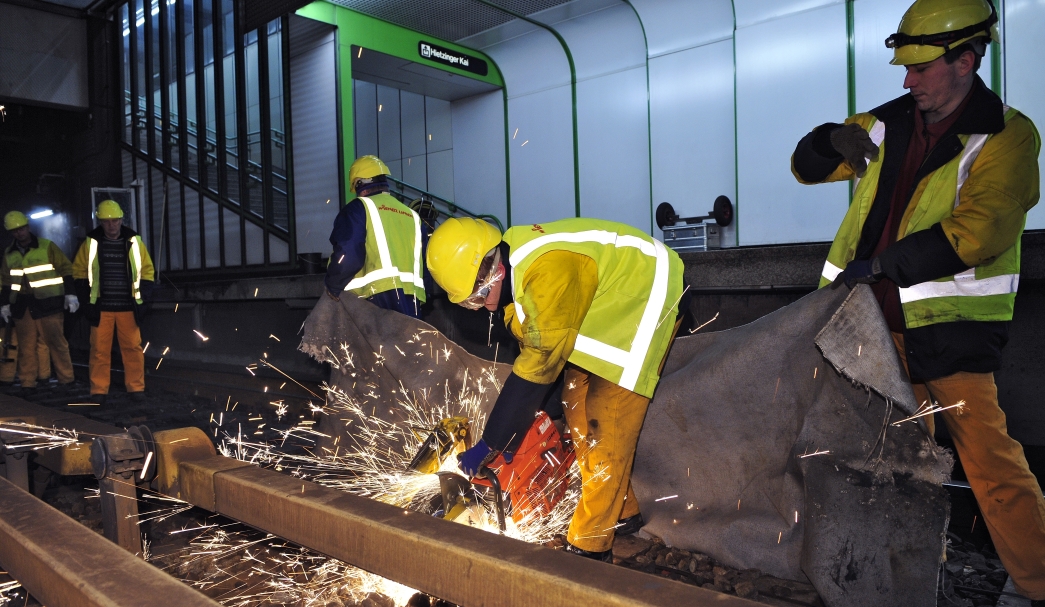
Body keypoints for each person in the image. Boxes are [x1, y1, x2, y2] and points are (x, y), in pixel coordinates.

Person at [791, 0, 1044, 601]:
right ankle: (871, 581)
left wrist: (880, 264)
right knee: (853, 461)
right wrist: (827, 139)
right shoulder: (886, 123)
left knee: (993, 471)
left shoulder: (1008, 136)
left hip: (947, 334)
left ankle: (1040, 582)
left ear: (967, 59)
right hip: (863, 328)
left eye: (921, 68)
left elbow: (979, 230)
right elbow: (806, 168)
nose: (907, 80)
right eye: (904, 67)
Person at [426, 217, 686, 561]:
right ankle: (622, 509)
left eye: (480, 295)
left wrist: (491, 442)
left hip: (649, 293)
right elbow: (535, 350)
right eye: (472, 303)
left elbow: (538, 367)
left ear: (496, 271)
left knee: (606, 421)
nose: (483, 306)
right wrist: (513, 435)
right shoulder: (516, 264)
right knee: (574, 400)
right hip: (609, 304)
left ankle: (589, 548)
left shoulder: (548, 274)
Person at [72, 200, 155, 405]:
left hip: (128, 307)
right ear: (100, 222)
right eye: (107, 221)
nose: (111, 225)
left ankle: (136, 388)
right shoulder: (90, 244)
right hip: (102, 307)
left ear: (121, 220)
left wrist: (143, 300)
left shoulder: (135, 242)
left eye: (115, 221)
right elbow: (79, 273)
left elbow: (147, 271)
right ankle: (99, 390)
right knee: (99, 350)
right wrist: (87, 303)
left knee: (133, 348)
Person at [325, 155, 426, 318]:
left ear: (359, 184)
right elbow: (425, 265)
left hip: (375, 298)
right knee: (405, 343)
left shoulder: (358, 208)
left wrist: (333, 285)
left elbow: (348, 254)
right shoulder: (412, 216)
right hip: (412, 300)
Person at [0, 211, 77, 394]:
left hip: (48, 303)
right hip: (22, 305)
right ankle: (28, 383)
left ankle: (66, 380)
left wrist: (70, 294)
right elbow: (6, 281)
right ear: (11, 233)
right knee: (27, 346)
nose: (20, 233)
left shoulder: (46, 247)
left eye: (22, 228)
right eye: (15, 230)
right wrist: (4, 304)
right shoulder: (9, 254)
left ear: (28, 227)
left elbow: (66, 268)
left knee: (56, 342)